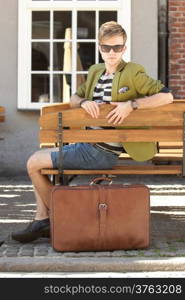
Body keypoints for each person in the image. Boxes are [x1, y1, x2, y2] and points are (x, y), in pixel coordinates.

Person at [11, 21, 173, 243]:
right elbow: (74, 98)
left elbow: (166, 96)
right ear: (99, 48)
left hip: (102, 151)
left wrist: (131, 105)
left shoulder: (133, 72)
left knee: (33, 163)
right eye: (106, 48)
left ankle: (58, 215)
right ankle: (42, 218)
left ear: (124, 48)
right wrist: (84, 101)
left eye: (117, 47)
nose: (111, 53)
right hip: (87, 144)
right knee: (39, 162)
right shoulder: (95, 71)